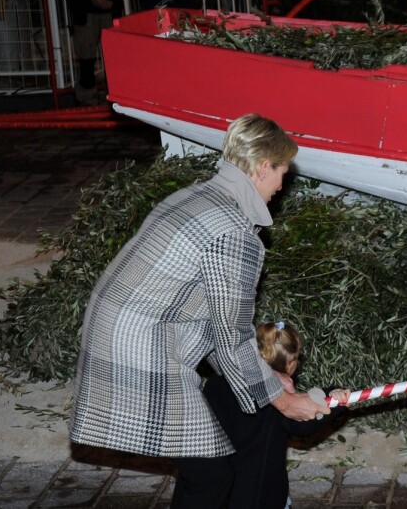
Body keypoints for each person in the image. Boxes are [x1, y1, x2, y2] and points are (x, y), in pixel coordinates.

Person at [70, 113, 332, 509]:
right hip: (142, 345)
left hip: (120, 328)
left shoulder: (197, 196)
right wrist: (281, 399)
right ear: (263, 168)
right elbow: (232, 332)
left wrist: (269, 383)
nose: (282, 184)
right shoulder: (234, 233)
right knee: (210, 472)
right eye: (282, 171)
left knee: (208, 470)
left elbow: (211, 321)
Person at [204, 321, 351, 509]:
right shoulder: (276, 402)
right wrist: (335, 398)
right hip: (260, 494)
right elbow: (303, 423)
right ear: (290, 364)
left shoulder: (216, 384)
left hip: (219, 489)